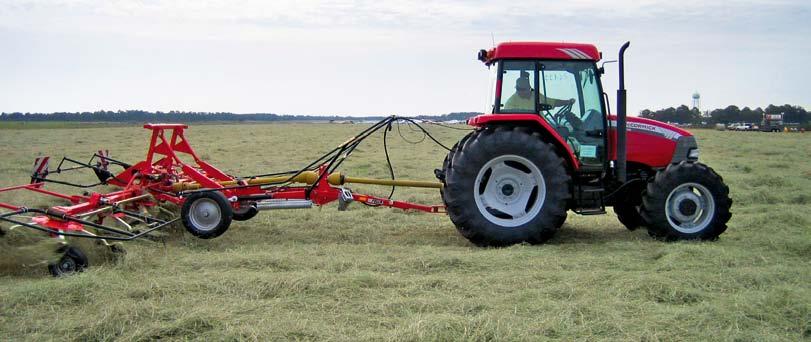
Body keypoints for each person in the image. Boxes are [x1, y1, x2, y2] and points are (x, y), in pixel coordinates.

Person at [504, 75, 574, 112]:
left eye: (523, 89)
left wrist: (567, 102)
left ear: (529, 88)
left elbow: (552, 102)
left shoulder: (536, 95)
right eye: (518, 89)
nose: (520, 91)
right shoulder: (510, 103)